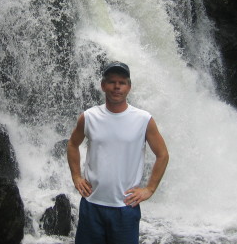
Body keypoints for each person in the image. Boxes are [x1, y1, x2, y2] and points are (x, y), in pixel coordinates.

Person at [67, 61, 169, 244]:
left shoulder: (144, 119)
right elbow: (73, 144)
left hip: (125, 207)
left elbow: (162, 154)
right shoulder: (89, 117)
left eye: (122, 82)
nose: (116, 87)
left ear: (129, 87)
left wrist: (150, 189)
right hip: (92, 204)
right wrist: (76, 176)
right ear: (103, 85)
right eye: (112, 82)